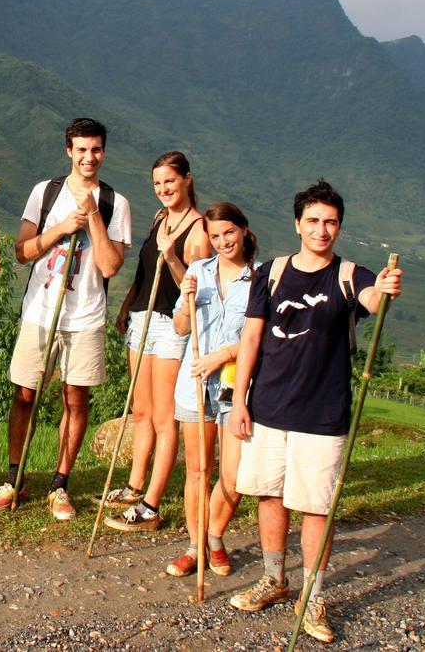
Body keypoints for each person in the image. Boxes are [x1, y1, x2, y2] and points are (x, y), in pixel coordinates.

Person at [228, 180, 402, 643]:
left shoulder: (350, 275)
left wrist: (383, 290)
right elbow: (250, 339)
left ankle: (314, 595)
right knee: (269, 495)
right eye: (313, 221)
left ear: (339, 227)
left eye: (330, 222)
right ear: (297, 225)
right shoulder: (272, 273)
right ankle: (274, 578)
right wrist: (239, 401)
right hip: (267, 405)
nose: (322, 230)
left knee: (316, 507)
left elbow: (370, 301)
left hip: (323, 413)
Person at [0, 118, 131, 521]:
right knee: (25, 394)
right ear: (69, 150)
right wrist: (62, 228)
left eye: (96, 149)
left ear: (104, 151)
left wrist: (94, 219)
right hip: (40, 310)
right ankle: (13, 479)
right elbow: (22, 251)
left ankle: (60, 485)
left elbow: (110, 265)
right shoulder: (45, 193)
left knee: (75, 397)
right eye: (81, 149)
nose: (89, 157)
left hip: (85, 316)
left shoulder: (115, 203)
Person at [104, 152, 210, 530]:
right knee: (142, 410)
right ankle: (134, 485)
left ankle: (151, 505)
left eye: (170, 181)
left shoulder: (199, 229)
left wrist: (173, 256)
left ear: (186, 180)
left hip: (171, 325)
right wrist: (128, 304)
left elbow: (195, 290)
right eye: (158, 184)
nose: (164, 189)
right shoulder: (160, 218)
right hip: (141, 319)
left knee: (165, 418)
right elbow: (145, 269)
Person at [161, 202, 259, 577]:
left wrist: (224, 354)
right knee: (199, 471)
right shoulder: (199, 272)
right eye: (215, 236)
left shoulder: (259, 278)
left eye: (229, 233)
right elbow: (181, 328)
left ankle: (214, 535)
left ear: (244, 230)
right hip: (196, 381)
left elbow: (258, 337)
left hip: (237, 385)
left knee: (233, 476)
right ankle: (194, 546)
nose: (222, 242)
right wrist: (185, 298)